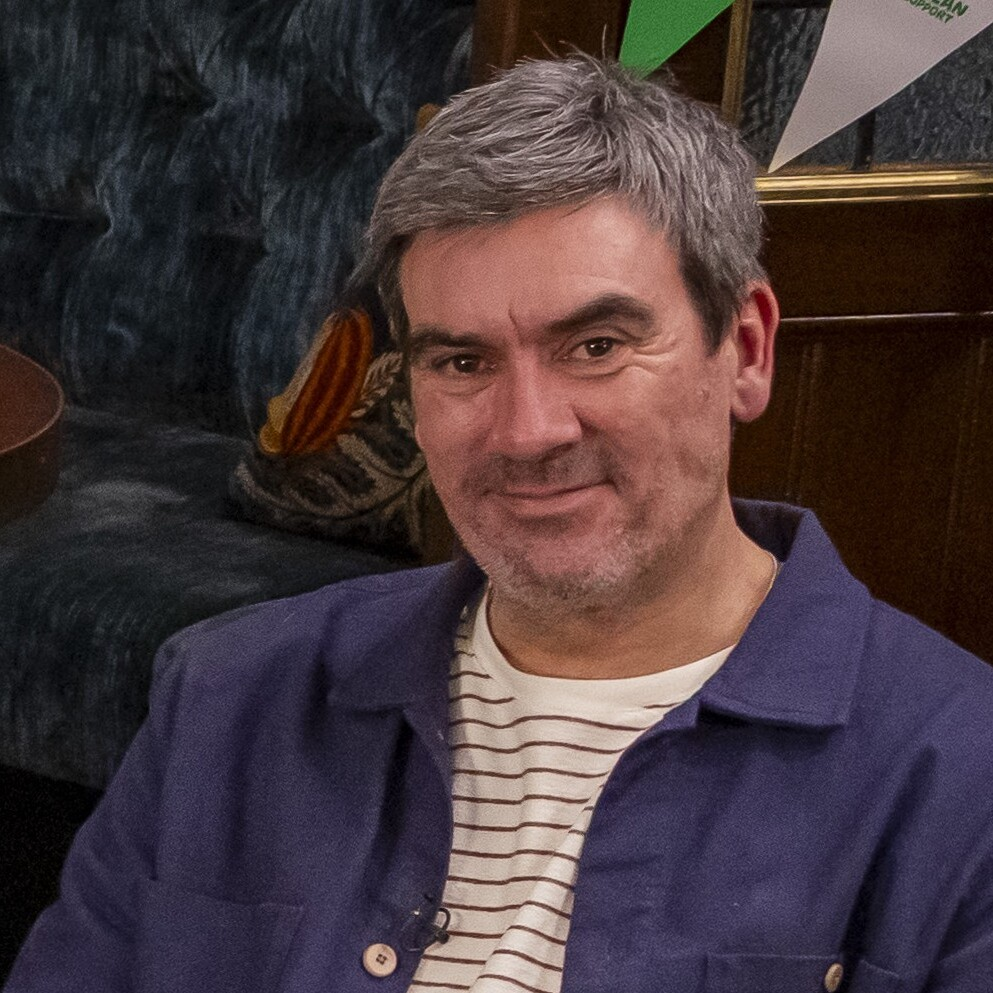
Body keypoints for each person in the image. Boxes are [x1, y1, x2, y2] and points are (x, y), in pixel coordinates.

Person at [7, 56, 993, 993]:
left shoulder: (956, 778)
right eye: (462, 363)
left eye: (595, 346)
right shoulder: (227, 697)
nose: (527, 432)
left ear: (744, 348)